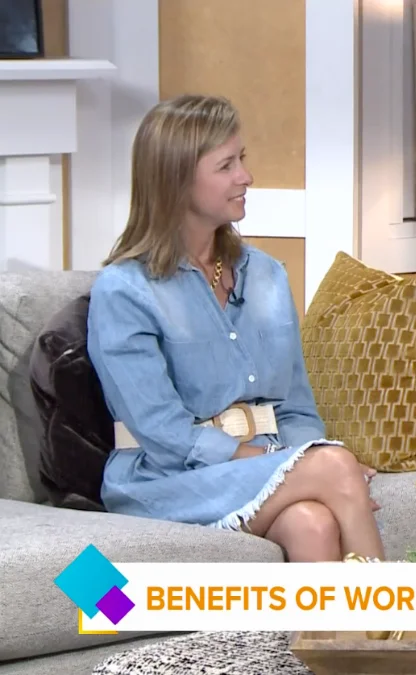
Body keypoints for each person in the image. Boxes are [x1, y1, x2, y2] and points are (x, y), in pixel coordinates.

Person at [87, 94, 386, 562]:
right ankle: (398, 623)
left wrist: (299, 462)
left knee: (313, 523)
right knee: (333, 465)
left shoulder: (265, 275)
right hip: (171, 480)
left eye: (241, 159)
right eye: (226, 165)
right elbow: (164, 434)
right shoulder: (125, 291)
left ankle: (337, 637)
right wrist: (305, 468)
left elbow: (296, 406)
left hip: (263, 464)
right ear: (176, 181)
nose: (245, 176)